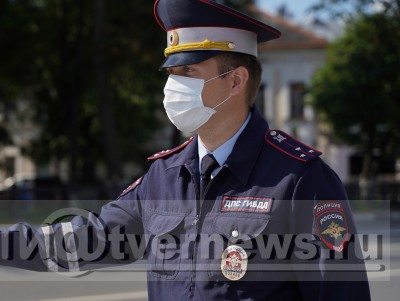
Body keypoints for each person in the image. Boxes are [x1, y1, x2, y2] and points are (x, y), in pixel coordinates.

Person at [0, 0, 371, 300]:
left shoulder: (300, 180)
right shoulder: (164, 176)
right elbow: (85, 240)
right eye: (170, 75)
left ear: (235, 81)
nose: (172, 87)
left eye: (187, 73)